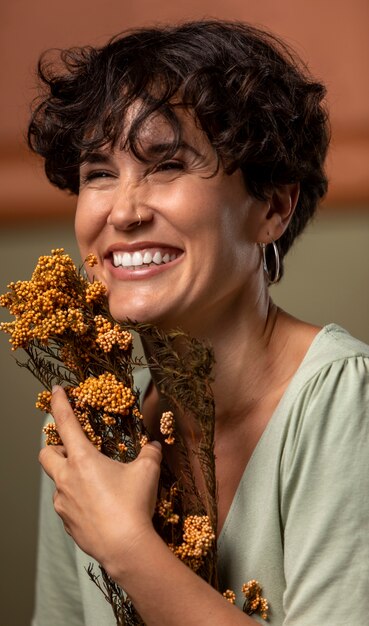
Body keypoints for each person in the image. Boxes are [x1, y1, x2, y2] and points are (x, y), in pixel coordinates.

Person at [28, 20, 369, 626]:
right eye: (99, 173)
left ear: (272, 207)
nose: (124, 211)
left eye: (167, 165)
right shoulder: (92, 433)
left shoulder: (344, 402)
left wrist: (127, 548)